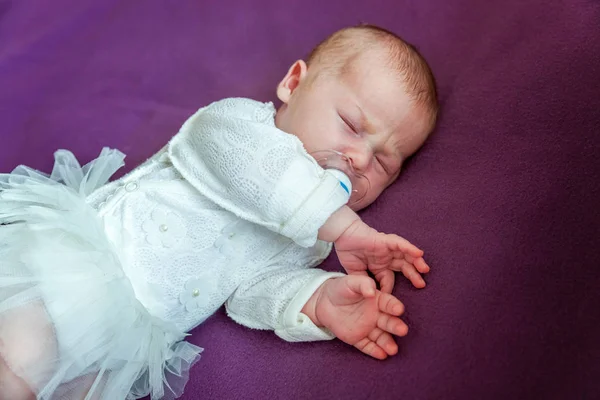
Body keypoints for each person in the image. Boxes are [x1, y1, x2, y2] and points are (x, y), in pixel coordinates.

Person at [0, 24, 438, 400]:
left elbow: (249, 293)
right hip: (78, 268)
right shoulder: (237, 125)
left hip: (126, 336)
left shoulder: (311, 234)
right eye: (350, 124)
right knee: (21, 358)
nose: (359, 159)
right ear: (294, 83)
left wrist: (319, 300)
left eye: (384, 162)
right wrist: (345, 226)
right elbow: (258, 174)